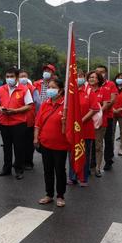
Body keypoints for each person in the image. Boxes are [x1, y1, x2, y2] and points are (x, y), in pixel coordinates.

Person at [0, 67, 33, 179]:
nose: (9, 79)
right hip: (4, 122)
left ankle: (19, 169)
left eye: (11, 76)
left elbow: (29, 105)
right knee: (6, 147)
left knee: (19, 147)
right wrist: (0, 108)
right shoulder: (1, 89)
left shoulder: (24, 89)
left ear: (16, 77)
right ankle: (6, 169)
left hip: (18, 123)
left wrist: (15, 111)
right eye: (7, 77)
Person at [34, 79, 69, 207]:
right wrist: (36, 138)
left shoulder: (66, 106)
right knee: (47, 170)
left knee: (60, 170)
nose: (50, 89)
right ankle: (49, 194)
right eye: (49, 87)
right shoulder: (45, 104)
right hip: (45, 143)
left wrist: (66, 122)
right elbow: (37, 124)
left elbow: (71, 127)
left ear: (60, 90)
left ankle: (60, 195)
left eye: (53, 87)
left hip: (60, 144)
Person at [68, 70, 100, 187]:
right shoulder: (69, 92)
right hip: (72, 129)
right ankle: (72, 176)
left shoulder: (89, 91)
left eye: (80, 76)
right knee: (72, 153)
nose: (78, 78)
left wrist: (81, 121)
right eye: (76, 76)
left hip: (85, 129)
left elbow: (94, 108)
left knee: (84, 153)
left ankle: (83, 178)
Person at [96, 65, 118, 171]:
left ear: (106, 73)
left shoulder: (111, 84)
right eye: (98, 72)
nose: (100, 73)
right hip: (94, 118)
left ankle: (108, 160)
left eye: (102, 71)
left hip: (107, 116)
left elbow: (112, 100)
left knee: (108, 140)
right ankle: (94, 163)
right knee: (96, 141)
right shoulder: (93, 84)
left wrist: (101, 110)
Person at [88, 70, 109, 177]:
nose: (92, 79)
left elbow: (105, 105)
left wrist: (97, 111)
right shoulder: (85, 90)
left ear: (99, 80)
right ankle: (87, 167)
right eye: (90, 77)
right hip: (86, 121)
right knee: (87, 146)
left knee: (98, 146)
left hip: (99, 122)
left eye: (94, 77)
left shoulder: (104, 90)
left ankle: (97, 168)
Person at [19, 69, 38, 170]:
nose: (23, 78)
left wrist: (38, 117)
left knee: (29, 143)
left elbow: (37, 103)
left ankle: (29, 162)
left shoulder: (32, 89)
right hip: (18, 120)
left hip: (30, 119)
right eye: (21, 76)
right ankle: (20, 161)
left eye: (24, 76)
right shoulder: (16, 88)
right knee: (19, 143)